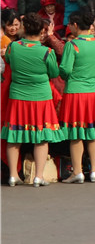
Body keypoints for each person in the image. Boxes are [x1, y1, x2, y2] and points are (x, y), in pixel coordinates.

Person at [3, 14, 67, 187]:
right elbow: (54, 73)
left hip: (18, 96)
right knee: (41, 137)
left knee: (14, 135)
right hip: (41, 97)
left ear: (24, 28)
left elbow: (8, 61)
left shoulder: (13, 47)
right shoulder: (46, 52)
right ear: (42, 31)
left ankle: (13, 175)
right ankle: (38, 176)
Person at [57, 13, 95, 183]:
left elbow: (65, 69)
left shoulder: (72, 45)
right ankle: (94, 171)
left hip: (74, 92)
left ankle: (77, 172)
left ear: (75, 25)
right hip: (93, 92)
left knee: (76, 133)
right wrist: (91, 75)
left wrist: (73, 77)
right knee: (93, 132)